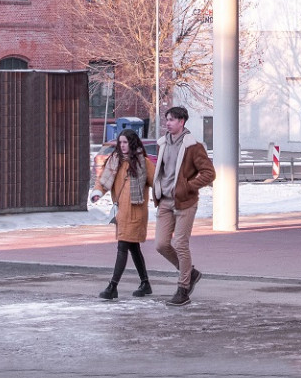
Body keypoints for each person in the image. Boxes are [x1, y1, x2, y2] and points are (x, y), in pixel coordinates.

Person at [152, 105, 216, 306]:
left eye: (172, 120)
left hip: (185, 202)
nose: (168, 123)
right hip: (165, 201)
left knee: (180, 244)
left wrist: (187, 187)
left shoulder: (193, 146)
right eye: (167, 119)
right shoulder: (162, 143)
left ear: (182, 122)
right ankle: (191, 273)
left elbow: (209, 173)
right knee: (161, 244)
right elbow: (162, 171)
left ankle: (183, 289)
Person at [90, 129, 155, 299]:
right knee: (133, 247)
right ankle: (145, 283)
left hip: (135, 213)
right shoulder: (114, 161)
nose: (122, 145)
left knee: (123, 247)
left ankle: (113, 286)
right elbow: (103, 180)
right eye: (120, 142)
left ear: (132, 143)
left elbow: (157, 183)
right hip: (121, 212)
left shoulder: (143, 163)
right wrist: (98, 192)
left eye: (125, 142)